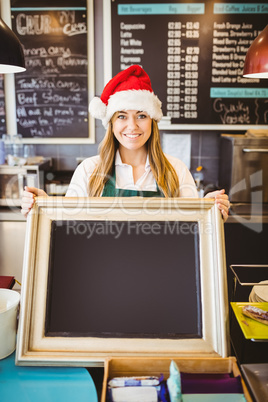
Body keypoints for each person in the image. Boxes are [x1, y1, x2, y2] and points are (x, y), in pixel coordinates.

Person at [21, 65, 229, 220]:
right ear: (110, 124)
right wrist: (42, 203)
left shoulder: (175, 170)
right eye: (121, 116)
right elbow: (66, 223)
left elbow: (194, 226)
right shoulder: (89, 170)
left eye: (141, 116)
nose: (132, 126)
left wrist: (212, 210)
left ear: (152, 122)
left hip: (163, 271)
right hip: (102, 273)